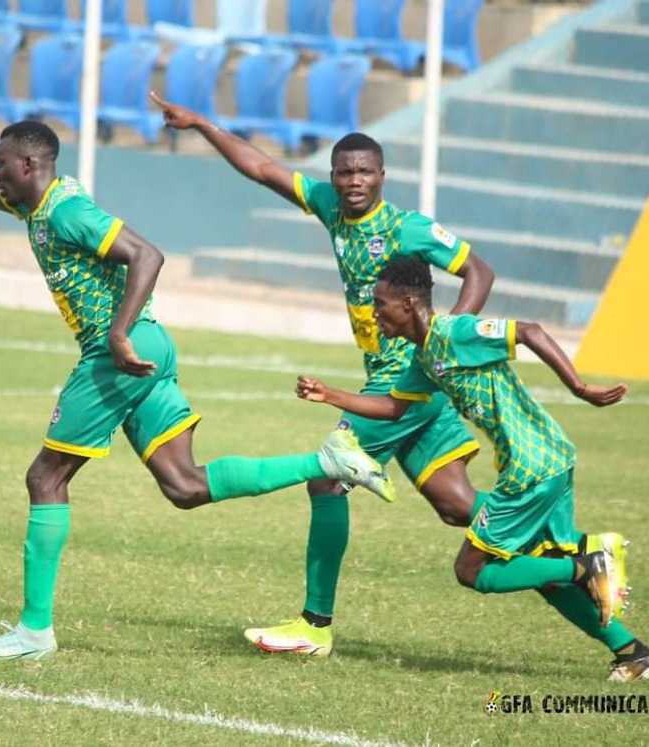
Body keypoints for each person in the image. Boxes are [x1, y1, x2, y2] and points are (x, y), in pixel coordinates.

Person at [0, 70, 389, 661]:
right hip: (148, 347)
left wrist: (119, 333)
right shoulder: (33, 202)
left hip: (119, 353)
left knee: (45, 479)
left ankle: (33, 631)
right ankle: (326, 461)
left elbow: (146, 254)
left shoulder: (68, 211)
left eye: (2, 164)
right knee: (184, 486)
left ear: (28, 166)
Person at [151, 92, 495, 656]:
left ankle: (314, 625)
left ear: (382, 176)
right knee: (458, 505)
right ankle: (580, 559)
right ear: (333, 178)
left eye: (364, 172)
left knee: (327, 479)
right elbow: (262, 168)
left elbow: (479, 271)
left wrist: (444, 340)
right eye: (344, 172)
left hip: (402, 383)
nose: (353, 181)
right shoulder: (331, 209)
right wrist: (202, 124)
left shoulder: (408, 229)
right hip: (408, 389)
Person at [295, 256, 649, 682]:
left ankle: (587, 563)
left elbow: (530, 331)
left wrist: (579, 387)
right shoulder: (425, 356)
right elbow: (394, 408)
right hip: (550, 458)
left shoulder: (456, 332)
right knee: (542, 567)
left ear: (408, 303)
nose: (374, 312)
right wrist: (330, 395)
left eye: (380, 303)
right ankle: (632, 651)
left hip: (532, 466)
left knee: (472, 570)